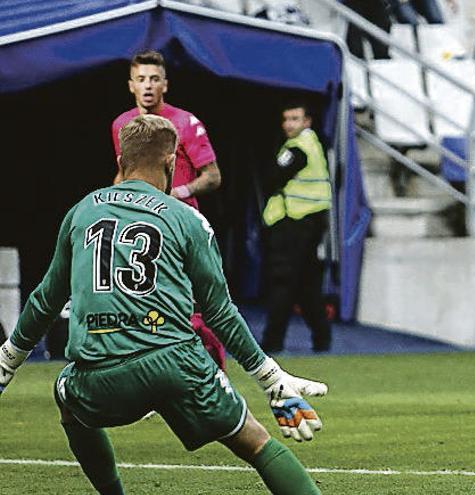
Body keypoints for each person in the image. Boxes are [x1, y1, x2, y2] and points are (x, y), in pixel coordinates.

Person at [0, 115, 327, 494]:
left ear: (120, 160)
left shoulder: (83, 211)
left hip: (101, 375)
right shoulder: (187, 219)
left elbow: (46, 298)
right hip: (176, 365)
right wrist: (269, 377)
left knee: (67, 399)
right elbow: (219, 311)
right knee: (255, 441)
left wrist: (7, 360)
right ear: (171, 162)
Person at [111, 50, 227, 370]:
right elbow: (125, 174)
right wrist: (109, 204)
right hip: (142, 230)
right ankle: (152, 383)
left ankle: (217, 377)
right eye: (141, 79)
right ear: (131, 85)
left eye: (154, 79)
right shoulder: (122, 125)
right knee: (142, 306)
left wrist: (178, 192)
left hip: (182, 227)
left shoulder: (185, 123)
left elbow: (213, 176)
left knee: (196, 311)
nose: (147, 86)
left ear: (165, 85)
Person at [261, 103, 332, 354]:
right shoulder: (313, 145)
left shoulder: (298, 148)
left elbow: (272, 177)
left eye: (295, 118)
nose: (289, 124)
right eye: (286, 118)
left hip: (295, 222)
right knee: (307, 285)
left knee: (283, 282)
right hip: (311, 221)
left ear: (307, 121)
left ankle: (272, 342)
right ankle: (322, 338)